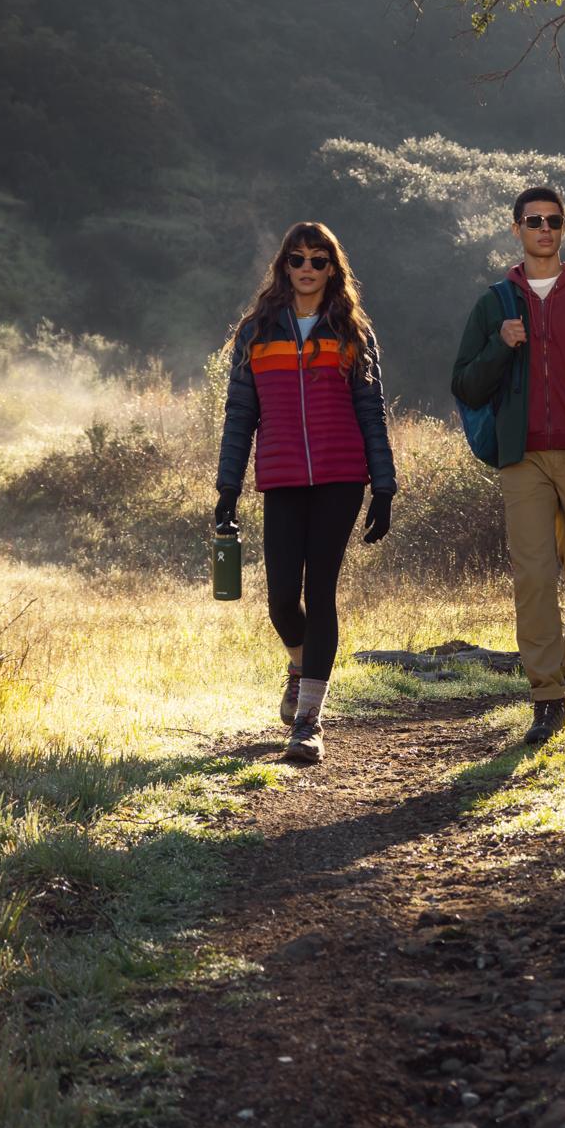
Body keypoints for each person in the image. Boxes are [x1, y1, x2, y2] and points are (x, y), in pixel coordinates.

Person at [450, 186, 565, 746]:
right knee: (534, 577)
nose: (544, 229)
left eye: (553, 221)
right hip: (522, 459)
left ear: (564, 227)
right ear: (517, 229)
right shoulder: (494, 303)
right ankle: (547, 697)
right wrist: (499, 346)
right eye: (533, 221)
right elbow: (465, 384)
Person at [216, 223, 397, 764]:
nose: (307, 269)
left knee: (321, 595)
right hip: (282, 478)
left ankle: (308, 723)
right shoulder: (256, 333)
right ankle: (299, 664)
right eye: (298, 259)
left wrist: (383, 487)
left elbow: (371, 413)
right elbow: (240, 415)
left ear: (332, 269)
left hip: (341, 478)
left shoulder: (352, 332)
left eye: (319, 260)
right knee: (280, 601)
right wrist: (228, 487)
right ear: (284, 266)